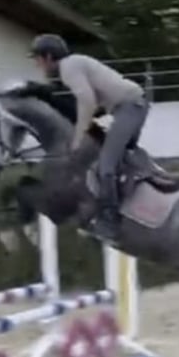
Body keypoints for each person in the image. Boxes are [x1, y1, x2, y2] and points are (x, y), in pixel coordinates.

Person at [28, 33, 149, 244]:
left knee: (106, 165)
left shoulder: (68, 67)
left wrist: (79, 137)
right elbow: (90, 105)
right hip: (122, 109)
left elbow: (87, 102)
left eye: (38, 58)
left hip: (129, 108)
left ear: (48, 56)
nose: (37, 64)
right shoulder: (74, 65)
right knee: (91, 155)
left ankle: (110, 223)